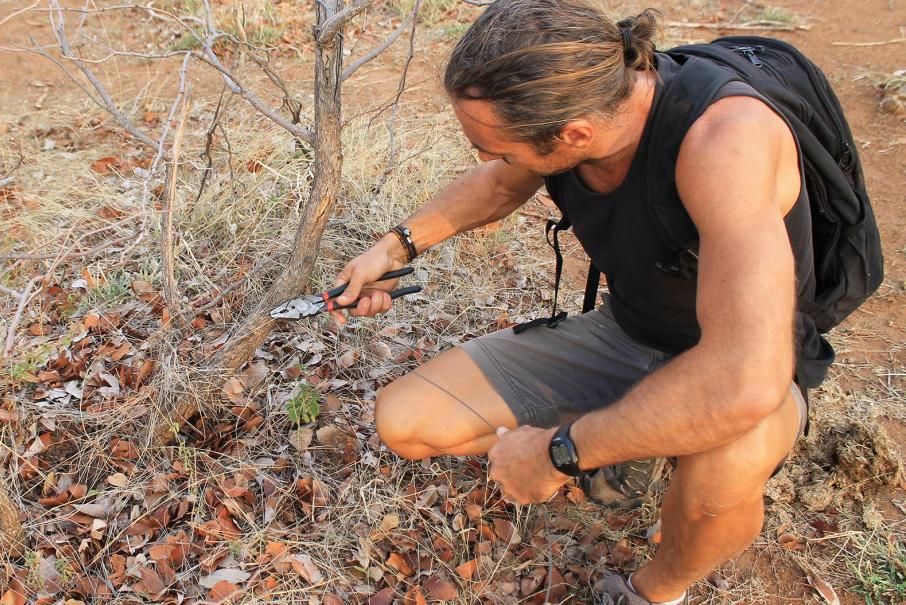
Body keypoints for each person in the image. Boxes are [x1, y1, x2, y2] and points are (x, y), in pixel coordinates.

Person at [330, 1, 821, 603]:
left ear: (575, 135)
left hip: (742, 362)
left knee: (721, 475)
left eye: (499, 147)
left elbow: (744, 379)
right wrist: (396, 246)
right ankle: (630, 441)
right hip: (631, 332)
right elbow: (502, 182)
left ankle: (655, 591)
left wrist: (561, 451)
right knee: (406, 421)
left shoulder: (725, 144)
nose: (487, 159)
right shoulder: (581, 111)